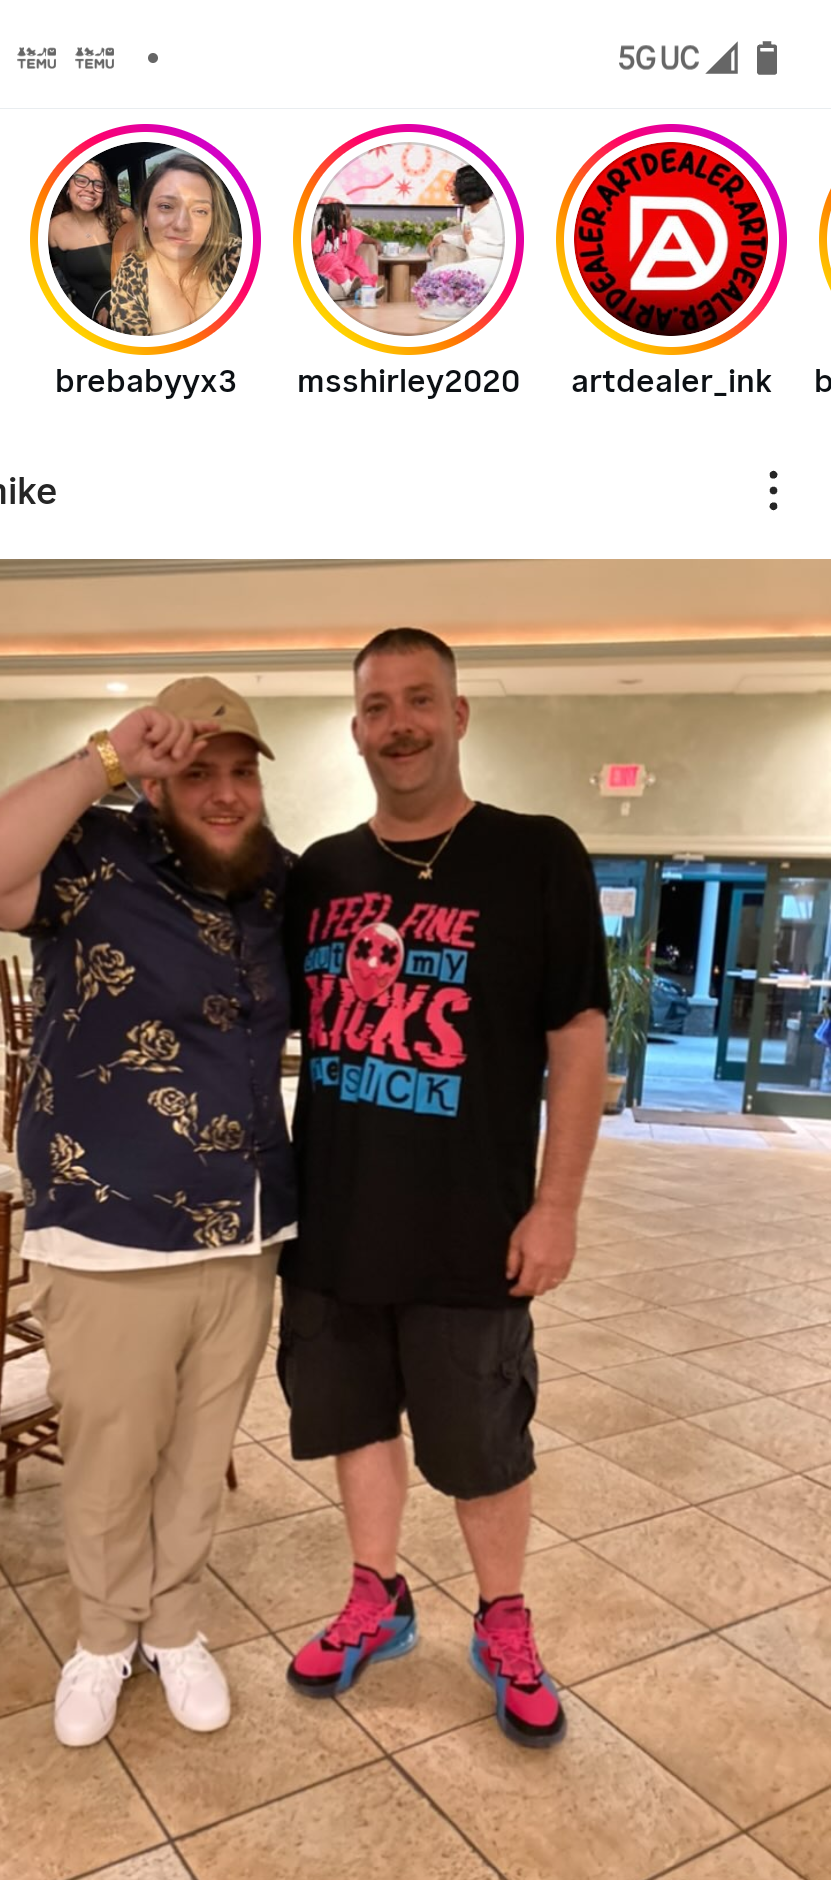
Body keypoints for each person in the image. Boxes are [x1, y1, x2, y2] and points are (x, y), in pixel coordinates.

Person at [0, 685, 294, 1748]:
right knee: (109, 1454)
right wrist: (103, 756)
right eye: (197, 771)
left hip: (247, 1228)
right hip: (107, 1227)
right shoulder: (90, 854)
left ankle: (174, 1626)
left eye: (242, 769)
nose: (225, 792)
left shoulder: (273, 882)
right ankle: (102, 1638)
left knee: (198, 1450)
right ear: (153, 778)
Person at [280, 628, 609, 1749]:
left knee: (481, 1440)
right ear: (356, 727)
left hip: (473, 1225)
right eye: (377, 705)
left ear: (460, 715)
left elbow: (576, 1035)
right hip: (331, 1221)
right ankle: (377, 1595)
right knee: (354, 1420)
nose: (400, 722)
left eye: (421, 699)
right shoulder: (318, 873)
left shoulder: (536, 854)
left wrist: (556, 1202)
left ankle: (504, 1618)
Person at [97, 156, 240, 335]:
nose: (182, 224)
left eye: (200, 211)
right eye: (166, 206)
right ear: (145, 216)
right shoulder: (131, 272)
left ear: (212, 221)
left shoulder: (232, 255)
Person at [48, 160, 135, 319]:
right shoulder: (54, 228)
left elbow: (143, 267)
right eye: (81, 181)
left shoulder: (123, 218)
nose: (89, 189)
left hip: (130, 298)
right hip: (88, 307)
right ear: (68, 186)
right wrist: (98, 308)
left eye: (98, 185)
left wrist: (112, 303)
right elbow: (74, 282)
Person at [311, 201, 379, 295]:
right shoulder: (326, 234)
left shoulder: (350, 232)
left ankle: (368, 289)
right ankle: (347, 286)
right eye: (347, 217)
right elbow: (313, 251)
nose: (350, 219)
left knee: (357, 266)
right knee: (331, 257)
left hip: (343, 266)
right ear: (334, 221)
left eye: (350, 216)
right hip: (326, 264)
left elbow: (363, 237)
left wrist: (375, 242)